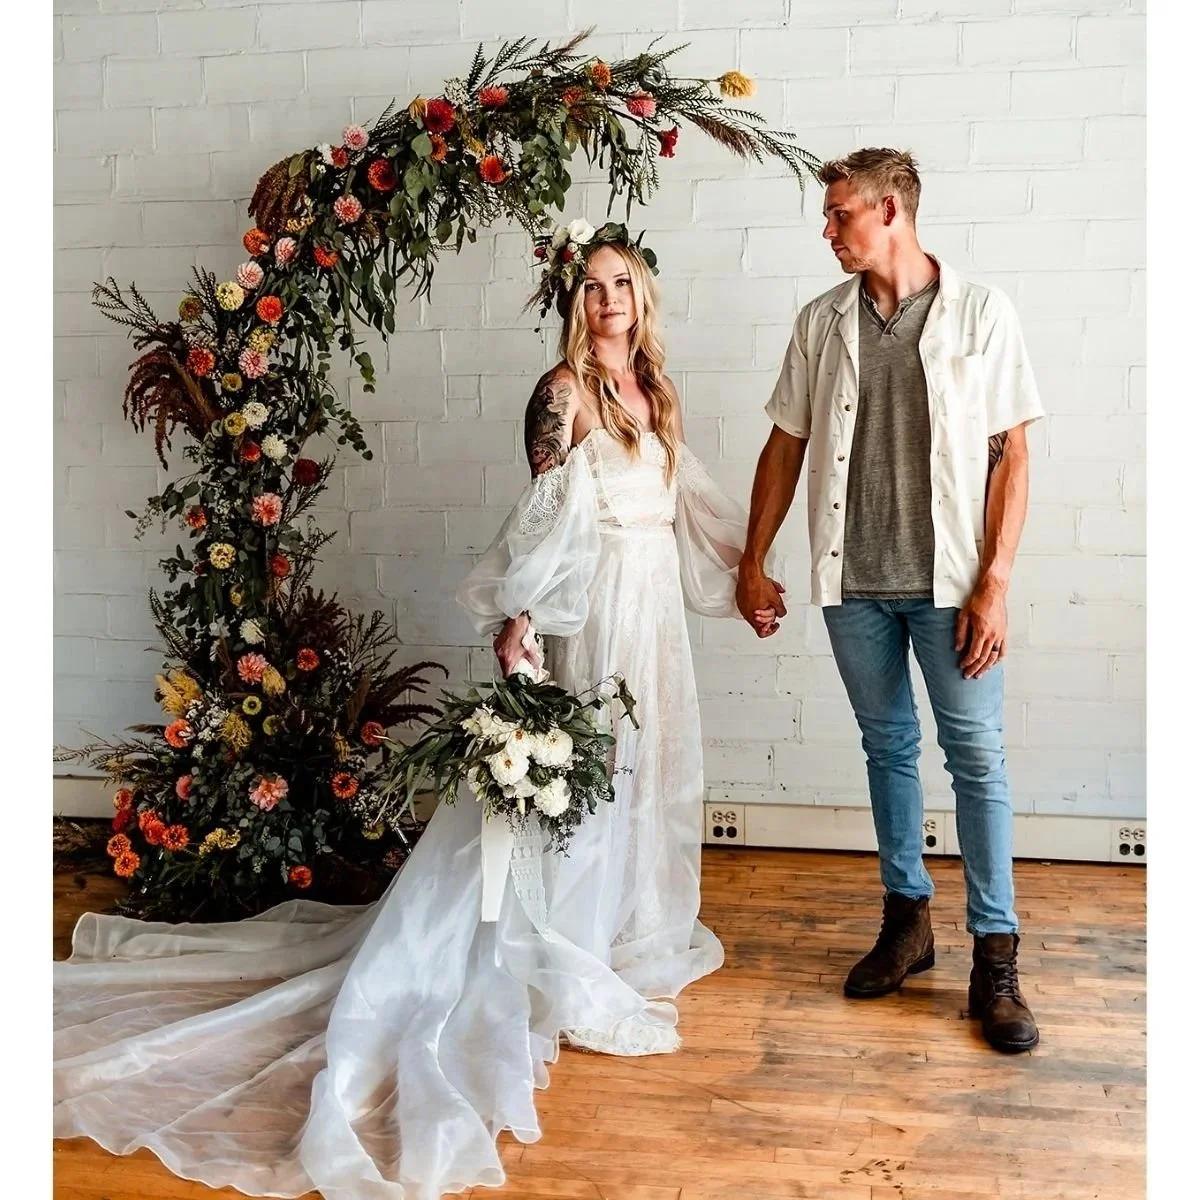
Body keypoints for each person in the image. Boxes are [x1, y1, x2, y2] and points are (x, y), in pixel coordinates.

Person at [53, 225, 757, 1198]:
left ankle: (634, 929)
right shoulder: (560, 395)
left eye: (623, 283)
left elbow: (696, 508)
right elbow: (541, 518)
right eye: (593, 285)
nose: (608, 300)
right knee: (592, 782)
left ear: (645, 297)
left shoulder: (658, 396)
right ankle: (568, 950)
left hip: (656, 619)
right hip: (590, 613)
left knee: (654, 772)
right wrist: (520, 621)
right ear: (576, 301)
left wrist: (751, 576)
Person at [736, 148, 1045, 1054]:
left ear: (891, 213)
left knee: (977, 760)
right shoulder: (821, 321)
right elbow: (785, 443)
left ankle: (997, 955)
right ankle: (909, 921)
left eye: (839, 215)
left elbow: (1013, 456)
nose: (827, 229)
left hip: (950, 587)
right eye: (828, 215)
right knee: (888, 749)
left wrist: (995, 583)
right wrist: (753, 559)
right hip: (852, 583)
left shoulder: (983, 314)